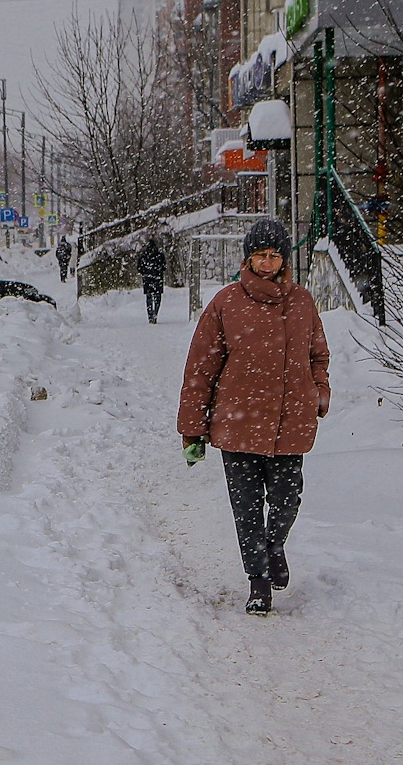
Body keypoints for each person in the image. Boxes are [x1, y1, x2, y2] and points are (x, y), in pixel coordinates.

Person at [176, 217, 330, 616]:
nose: (267, 262)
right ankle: (258, 581)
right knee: (246, 507)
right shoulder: (226, 303)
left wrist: (319, 391)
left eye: (275, 255)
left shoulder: (302, 302)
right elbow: (201, 368)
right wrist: (193, 427)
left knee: (286, 501)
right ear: (248, 258)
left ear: (284, 259)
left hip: (290, 420)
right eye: (260, 255)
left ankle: (274, 544)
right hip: (237, 424)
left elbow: (318, 355)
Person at [137, 235, 167, 323]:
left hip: (147, 279)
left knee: (149, 297)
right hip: (158, 279)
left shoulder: (143, 256)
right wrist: (158, 272)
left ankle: (150, 315)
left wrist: (145, 273)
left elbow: (139, 267)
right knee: (157, 297)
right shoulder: (160, 255)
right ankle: (155, 313)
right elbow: (164, 267)